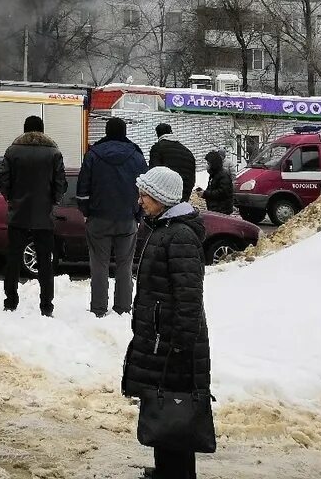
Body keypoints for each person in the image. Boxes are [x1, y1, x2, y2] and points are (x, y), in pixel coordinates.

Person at [122, 165, 210, 479]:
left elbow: (189, 297)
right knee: (163, 409)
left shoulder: (180, 235)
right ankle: (166, 470)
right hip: (161, 338)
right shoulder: (163, 228)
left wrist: (181, 347)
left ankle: (178, 474)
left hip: (174, 343)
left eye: (146, 194)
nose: (141, 200)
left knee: (176, 411)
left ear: (164, 198)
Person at [0, 115, 67, 317]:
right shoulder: (54, 153)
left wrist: (10, 197)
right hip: (44, 215)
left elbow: (2, 178)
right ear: (42, 131)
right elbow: (60, 182)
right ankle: (46, 306)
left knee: (13, 259)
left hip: (17, 213)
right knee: (45, 261)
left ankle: (10, 302)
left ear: (25, 129)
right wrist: (54, 199)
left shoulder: (13, 151)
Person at [77, 116, 147, 317]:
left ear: (106, 132)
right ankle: (123, 309)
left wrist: (87, 212)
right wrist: (138, 214)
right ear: (124, 132)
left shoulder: (93, 154)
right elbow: (145, 189)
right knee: (125, 265)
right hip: (127, 219)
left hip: (98, 219)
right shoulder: (136, 156)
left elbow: (83, 189)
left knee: (99, 264)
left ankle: (98, 309)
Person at [149, 123, 196, 202]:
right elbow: (192, 178)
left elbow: (154, 173)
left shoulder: (158, 148)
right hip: (184, 196)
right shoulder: (187, 151)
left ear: (158, 134)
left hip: (165, 195)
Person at [201, 150, 234, 215]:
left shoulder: (223, 175)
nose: (207, 166)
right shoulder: (213, 175)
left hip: (222, 210)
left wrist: (206, 194)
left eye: (208, 163)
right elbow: (212, 189)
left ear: (213, 164)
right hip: (214, 208)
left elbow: (222, 192)